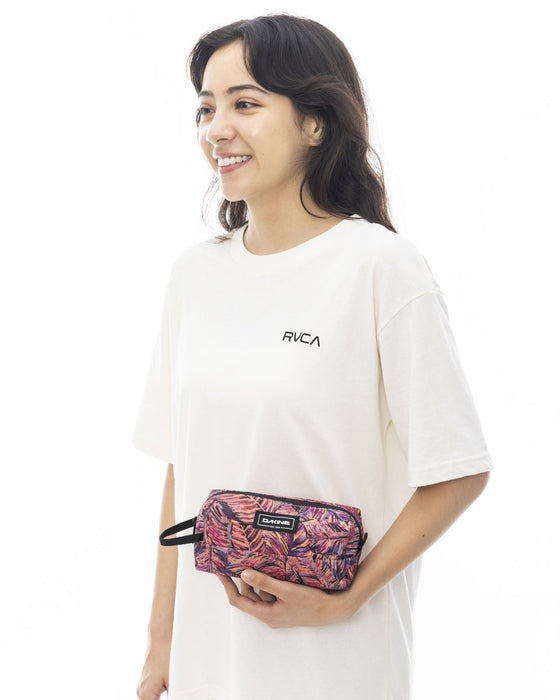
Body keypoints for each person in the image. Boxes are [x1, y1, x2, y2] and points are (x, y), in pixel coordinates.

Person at [133, 13, 493, 700]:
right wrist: (160, 645)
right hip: (211, 663)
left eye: (245, 104)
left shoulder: (382, 268)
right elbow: (184, 467)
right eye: (206, 109)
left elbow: (459, 469)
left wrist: (347, 599)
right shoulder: (194, 276)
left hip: (335, 666)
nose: (216, 129)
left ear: (315, 123)